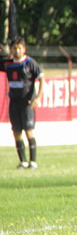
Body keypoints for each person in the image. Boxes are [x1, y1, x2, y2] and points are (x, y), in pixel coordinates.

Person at [1, 37, 45, 169]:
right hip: (14, 103)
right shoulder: (7, 63)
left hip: (27, 103)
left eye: (19, 48)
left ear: (24, 49)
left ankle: (33, 161)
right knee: (16, 132)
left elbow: (42, 78)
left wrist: (37, 97)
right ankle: (23, 161)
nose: (17, 50)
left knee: (29, 131)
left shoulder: (30, 63)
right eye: (14, 48)